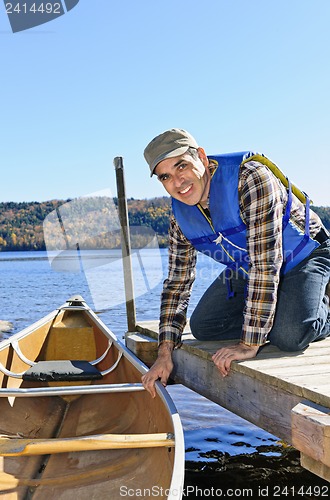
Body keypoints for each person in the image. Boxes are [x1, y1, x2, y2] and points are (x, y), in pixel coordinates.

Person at [141, 128, 330, 398]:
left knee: (288, 336)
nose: (177, 181)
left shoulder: (250, 179)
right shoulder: (178, 215)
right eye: (166, 177)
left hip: (305, 254)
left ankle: (320, 301)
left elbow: (266, 264)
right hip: (249, 265)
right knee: (205, 326)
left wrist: (248, 343)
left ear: (202, 158)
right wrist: (164, 352)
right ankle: (282, 310)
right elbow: (177, 284)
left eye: (181, 165)